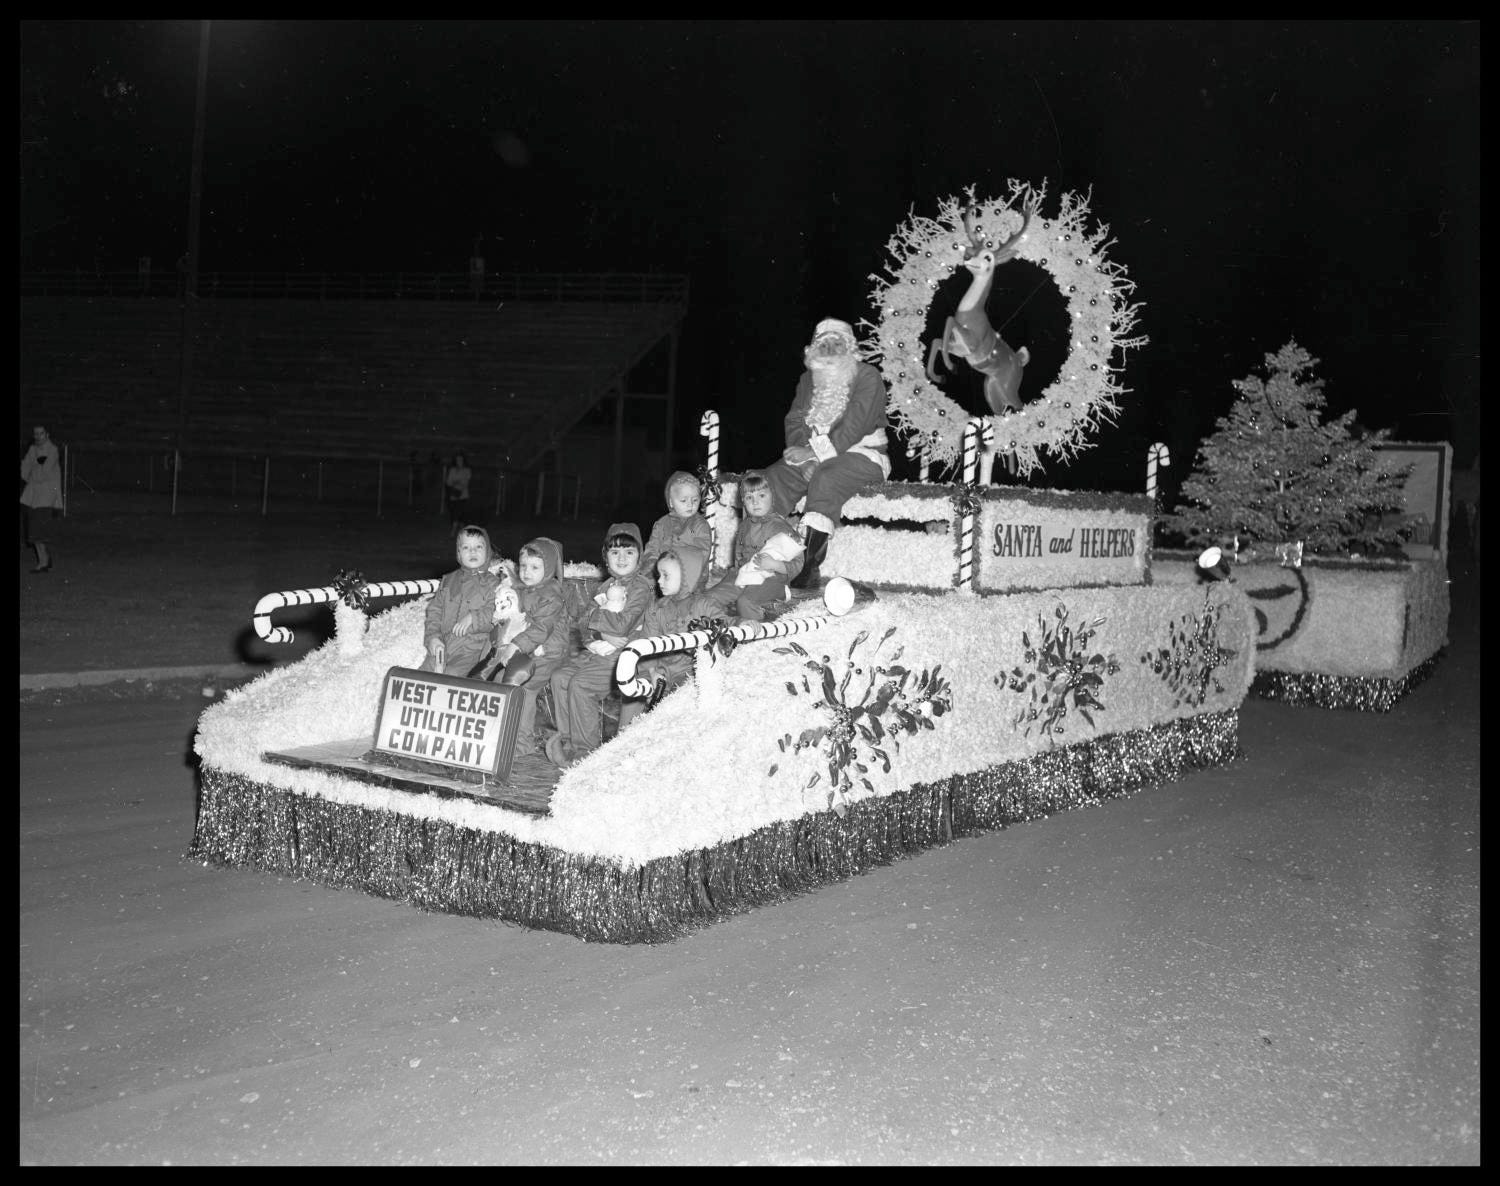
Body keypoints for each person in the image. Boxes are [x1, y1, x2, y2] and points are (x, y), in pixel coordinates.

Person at [762, 318, 891, 588]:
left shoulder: (867, 376)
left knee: (826, 477)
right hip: (812, 455)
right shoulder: (808, 379)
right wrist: (806, 456)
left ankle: (805, 569)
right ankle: (762, 557)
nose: (830, 349)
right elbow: (795, 420)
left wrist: (816, 457)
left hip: (862, 455)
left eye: (837, 343)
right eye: (824, 344)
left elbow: (856, 424)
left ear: (849, 348)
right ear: (813, 349)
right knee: (773, 478)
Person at [544, 523, 654, 768]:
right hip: (602, 653)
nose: (622, 558)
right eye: (615, 553)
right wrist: (597, 632)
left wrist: (597, 623)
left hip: (625, 657)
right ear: (606, 557)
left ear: (640, 556)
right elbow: (583, 627)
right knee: (561, 677)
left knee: (581, 685)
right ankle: (570, 739)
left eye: (629, 552)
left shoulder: (641, 587)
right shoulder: (605, 587)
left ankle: (586, 753)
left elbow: (623, 625)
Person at [483, 537, 569, 757]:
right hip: (526, 646)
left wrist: (515, 645)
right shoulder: (528, 588)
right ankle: (497, 734)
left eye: (535, 567)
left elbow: (542, 628)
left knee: (523, 688)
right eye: (523, 566)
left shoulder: (551, 595)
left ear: (548, 568)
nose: (527, 572)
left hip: (548, 649)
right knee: (496, 678)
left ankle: (522, 744)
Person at [616, 546, 710, 733]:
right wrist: (651, 672)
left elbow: (725, 624)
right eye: (659, 575)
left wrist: (744, 622)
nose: (659, 581)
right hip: (660, 670)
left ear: (686, 577)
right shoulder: (656, 608)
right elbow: (647, 643)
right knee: (635, 693)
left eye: (666, 575)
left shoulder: (703, 605)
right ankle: (623, 740)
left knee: (677, 709)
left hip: (689, 673)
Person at [697, 470, 803, 622]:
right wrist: (734, 577)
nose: (755, 502)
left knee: (746, 603)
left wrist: (776, 565)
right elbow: (739, 559)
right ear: (743, 501)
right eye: (749, 497)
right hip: (743, 574)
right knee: (708, 599)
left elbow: (798, 561)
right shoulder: (744, 526)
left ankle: (754, 640)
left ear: (772, 496)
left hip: (771, 578)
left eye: (761, 495)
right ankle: (720, 631)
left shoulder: (781, 527)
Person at [421, 525, 501, 676]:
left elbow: (497, 612)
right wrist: (433, 638)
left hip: (473, 650)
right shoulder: (449, 580)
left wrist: (473, 617)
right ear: (458, 553)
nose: (473, 551)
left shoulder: (494, 584)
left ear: (487, 551)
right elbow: (434, 612)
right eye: (466, 547)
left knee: (452, 676)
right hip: (443, 646)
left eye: (479, 546)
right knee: (422, 676)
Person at [641, 470, 713, 591]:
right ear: (671, 502)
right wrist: (653, 568)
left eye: (695, 500)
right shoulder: (662, 524)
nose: (690, 505)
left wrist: (680, 570)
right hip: (661, 576)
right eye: (683, 501)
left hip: (690, 580)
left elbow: (702, 551)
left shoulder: (699, 525)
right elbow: (652, 548)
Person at [20, 425, 63, 573]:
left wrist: (34, 470)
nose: (38, 436)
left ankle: (43, 562)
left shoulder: (53, 450)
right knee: (33, 532)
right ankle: (43, 561)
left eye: (41, 433)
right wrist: (35, 469)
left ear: (47, 434)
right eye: (35, 434)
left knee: (40, 532)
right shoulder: (32, 450)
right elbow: (24, 472)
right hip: (33, 497)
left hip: (46, 497)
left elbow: (43, 473)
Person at [444, 452, 472, 535]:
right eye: (457, 460)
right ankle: (462, 531)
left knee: (458, 513)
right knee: (456, 514)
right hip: (453, 495)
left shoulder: (467, 470)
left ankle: (453, 531)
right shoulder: (452, 470)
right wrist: (455, 483)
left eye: (461, 459)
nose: (459, 461)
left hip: (462, 495)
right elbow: (448, 482)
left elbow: (465, 482)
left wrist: (455, 482)